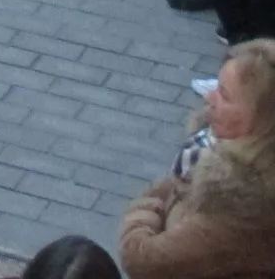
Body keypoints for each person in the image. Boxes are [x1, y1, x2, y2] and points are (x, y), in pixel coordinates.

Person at [118, 41, 275, 277]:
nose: (210, 98)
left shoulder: (240, 205)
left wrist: (145, 206)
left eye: (225, 95)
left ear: (262, 123)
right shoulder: (214, 150)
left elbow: (142, 258)